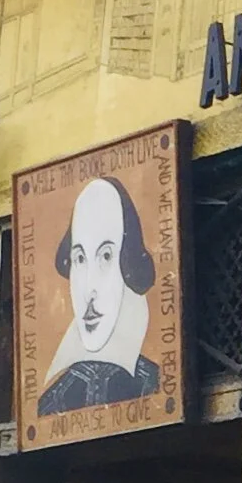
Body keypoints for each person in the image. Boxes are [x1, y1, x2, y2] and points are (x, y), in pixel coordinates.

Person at [37, 176, 163, 415]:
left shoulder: (157, 385)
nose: (89, 289)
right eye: (80, 259)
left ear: (129, 265)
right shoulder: (51, 403)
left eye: (105, 256)